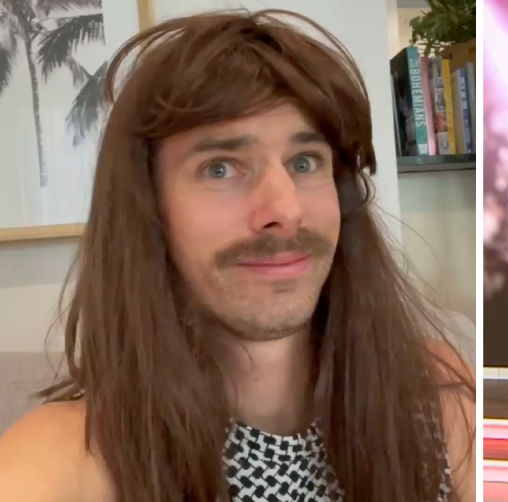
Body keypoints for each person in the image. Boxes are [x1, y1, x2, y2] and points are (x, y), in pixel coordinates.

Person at [0, 9, 476, 502]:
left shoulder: (434, 395)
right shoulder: (72, 456)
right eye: (221, 168)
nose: (285, 210)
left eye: (304, 162)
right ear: (147, 207)